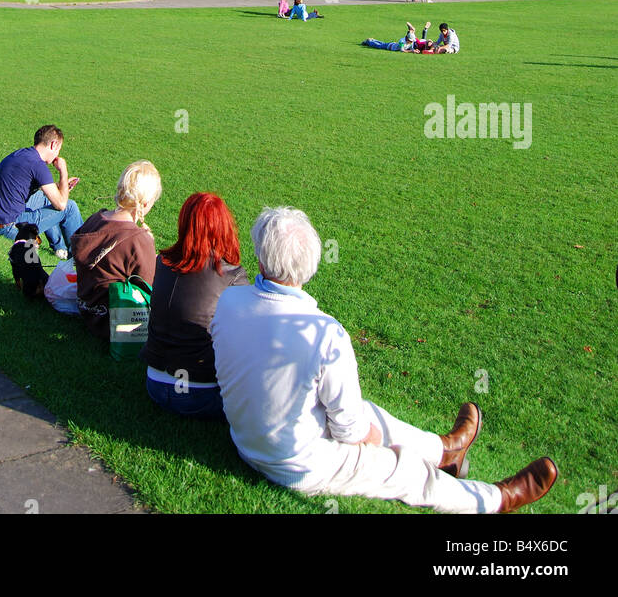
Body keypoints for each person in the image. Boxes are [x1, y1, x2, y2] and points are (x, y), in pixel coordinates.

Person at [211, 206, 558, 514]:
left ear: (260, 259)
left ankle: (445, 452)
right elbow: (351, 432)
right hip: (298, 463)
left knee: (368, 411)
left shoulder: (229, 302)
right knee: (404, 471)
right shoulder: (324, 333)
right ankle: (497, 500)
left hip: (248, 441)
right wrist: (375, 439)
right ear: (309, 267)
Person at [143, 192, 248, 419]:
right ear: (224, 226)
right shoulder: (233, 276)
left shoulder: (162, 262)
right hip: (199, 393)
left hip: (154, 382)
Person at [71, 161, 161, 339]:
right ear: (144, 203)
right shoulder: (138, 239)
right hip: (115, 325)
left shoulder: (95, 219)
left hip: (87, 310)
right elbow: (148, 289)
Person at [0, 124, 82, 254]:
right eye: (59, 149)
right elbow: (61, 205)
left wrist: (59, 187)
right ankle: (83, 254)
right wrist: (63, 171)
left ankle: (60, 249)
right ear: (53, 145)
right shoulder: (38, 165)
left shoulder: (22, 154)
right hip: (7, 225)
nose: (58, 154)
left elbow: (28, 187)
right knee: (70, 207)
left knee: (46, 198)